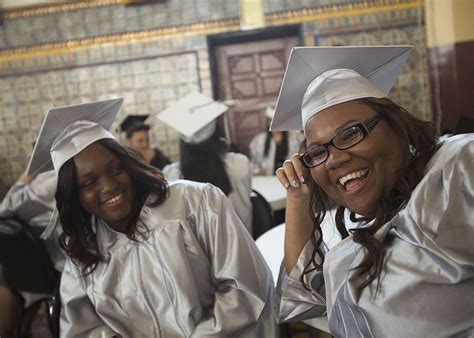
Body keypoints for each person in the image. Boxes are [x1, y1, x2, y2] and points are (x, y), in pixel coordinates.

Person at [27, 98, 277, 337]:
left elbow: (245, 290)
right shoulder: (83, 252)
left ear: (129, 165)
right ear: (74, 195)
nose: (109, 186)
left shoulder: (196, 202)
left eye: (116, 169)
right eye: (89, 182)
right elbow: (83, 330)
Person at [271, 46, 474, 337]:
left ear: (395, 122)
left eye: (351, 133)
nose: (336, 159)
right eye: (317, 151)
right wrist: (298, 197)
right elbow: (309, 297)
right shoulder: (352, 253)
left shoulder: (457, 170)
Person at [159, 92, 253, 233]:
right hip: (242, 246)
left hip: (198, 253)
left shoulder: (172, 175)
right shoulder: (239, 164)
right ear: (216, 133)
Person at [0, 165, 62, 336]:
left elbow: (6, 207)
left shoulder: (52, 177)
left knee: (5, 270)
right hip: (44, 260)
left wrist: (28, 173)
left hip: (55, 264)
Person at [249, 103, 304, 176]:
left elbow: (302, 158)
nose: (274, 125)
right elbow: (254, 163)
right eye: (271, 121)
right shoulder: (259, 140)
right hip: (267, 179)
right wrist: (258, 172)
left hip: (292, 177)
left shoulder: (297, 138)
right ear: (267, 122)